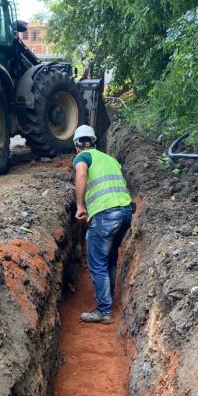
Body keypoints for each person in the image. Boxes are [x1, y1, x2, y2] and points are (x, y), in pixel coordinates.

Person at [72, 125, 135, 324]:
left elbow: (81, 174)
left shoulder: (83, 157)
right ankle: (108, 297)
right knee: (110, 258)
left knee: (97, 263)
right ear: (95, 141)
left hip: (105, 215)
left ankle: (104, 310)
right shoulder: (110, 159)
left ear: (77, 145)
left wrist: (80, 206)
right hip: (125, 213)